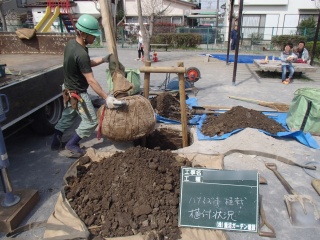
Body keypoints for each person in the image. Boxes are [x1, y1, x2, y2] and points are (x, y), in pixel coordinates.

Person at [51, 14, 123, 158]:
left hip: (68, 88)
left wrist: (103, 60)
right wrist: (106, 97)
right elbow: (91, 80)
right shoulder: (81, 53)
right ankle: (71, 144)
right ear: (83, 34)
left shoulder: (72, 45)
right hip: (77, 93)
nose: (95, 38)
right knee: (91, 121)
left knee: (68, 116)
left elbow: (85, 64)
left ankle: (55, 142)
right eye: (93, 35)